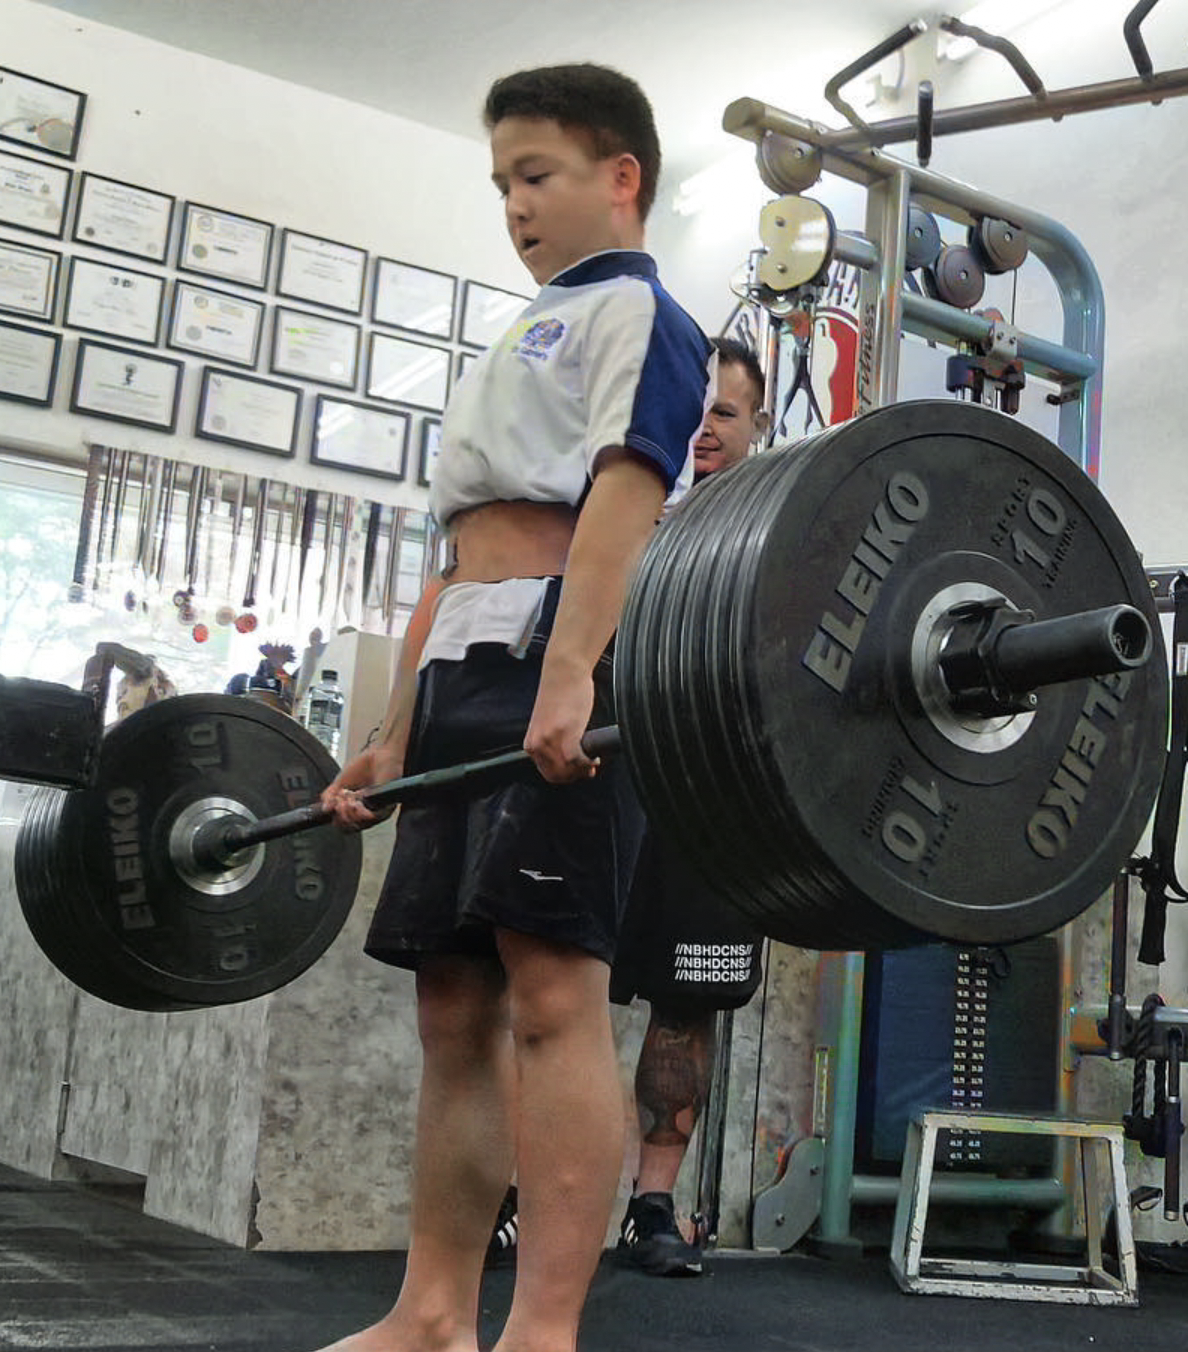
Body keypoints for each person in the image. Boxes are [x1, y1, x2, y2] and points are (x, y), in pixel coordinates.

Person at [317, 63, 709, 1352]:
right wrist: (390, 729)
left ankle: (541, 1327)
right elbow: (455, 552)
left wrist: (571, 672)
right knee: (453, 1003)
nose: (513, 205)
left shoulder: (644, 319)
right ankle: (431, 1309)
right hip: (465, 666)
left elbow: (623, 496)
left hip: (563, 648)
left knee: (553, 992)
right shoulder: (515, 332)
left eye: (533, 175)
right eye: (499, 183)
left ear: (620, 176)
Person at [485, 340, 772, 1280]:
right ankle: (525, 1202)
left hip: (716, 798)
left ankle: (653, 1210)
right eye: (692, 411)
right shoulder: (610, 516)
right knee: (558, 994)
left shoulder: (776, 538)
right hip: (604, 774)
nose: (703, 431)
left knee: (687, 1002)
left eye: (725, 414)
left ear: (758, 428)